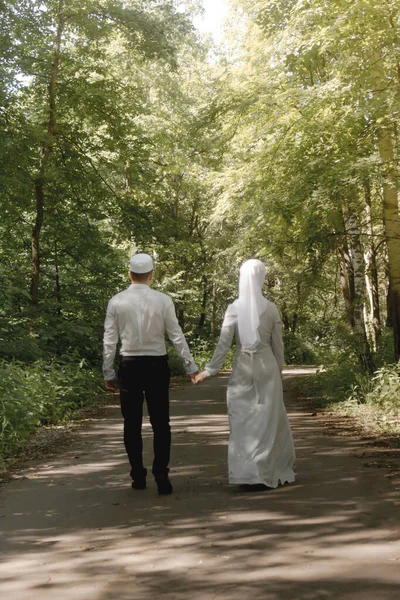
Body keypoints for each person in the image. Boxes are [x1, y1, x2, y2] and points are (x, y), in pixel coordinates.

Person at [103, 253, 199, 495]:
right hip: (157, 365)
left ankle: (137, 474)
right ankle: (160, 472)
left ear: (129, 273)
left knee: (131, 423)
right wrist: (190, 366)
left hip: (129, 365)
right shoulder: (163, 300)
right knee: (160, 422)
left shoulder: (116, 301)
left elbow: (109, 340)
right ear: (152, 275)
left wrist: (108, 371)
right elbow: (176, 335)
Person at [195, 259, 295, 489]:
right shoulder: (271, 308)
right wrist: (279, 370)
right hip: (267, 366)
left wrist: (211, 370)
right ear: (261, 277)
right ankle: (265, 469)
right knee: (268, 418)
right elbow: (278, 345)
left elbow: (224, 344)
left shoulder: (234, 308)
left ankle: (248, 472)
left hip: (242, 366)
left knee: (242, 418)